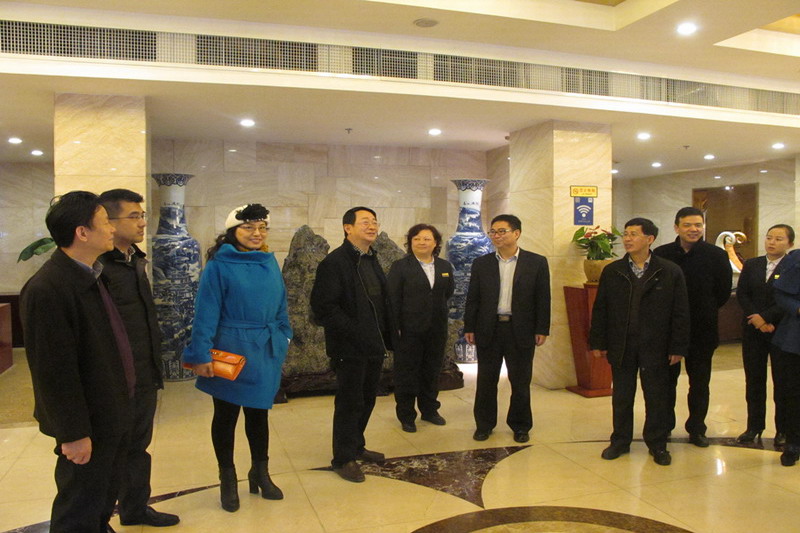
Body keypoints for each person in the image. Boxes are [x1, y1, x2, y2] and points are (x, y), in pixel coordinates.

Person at [21, 191, 133, 533]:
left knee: (102, 496)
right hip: (87, 421)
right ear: (82, 232)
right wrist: (73, 433)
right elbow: (53, 372)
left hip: (110, 409)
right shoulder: (48, 288)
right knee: (78, 506)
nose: (112, 229)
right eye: (105, 222)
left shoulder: (93, 275)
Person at [183, 204, 292, 512]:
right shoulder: (219, 265)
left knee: (259, 413)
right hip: (230, 349)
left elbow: (281, 304)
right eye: (249, 228)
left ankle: (260, 472)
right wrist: (201, 353)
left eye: (262, 228)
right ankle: (227, 478)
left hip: (265, 348)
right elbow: (206, 312)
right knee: (226, 415)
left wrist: (284, 335)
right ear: (233, 231)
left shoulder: (269, 261)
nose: (257, 234)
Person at [97, 189, 180, 527]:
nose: (142, 223)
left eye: (142, 215)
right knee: (109, 452)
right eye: (134, 216)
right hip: (115, 378)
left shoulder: (133, 260)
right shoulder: (99, 268)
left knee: (138, 445)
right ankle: (98, 520)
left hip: (144, 371)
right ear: (108, 221)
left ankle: (135, 508)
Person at [589, 218, 689, 466]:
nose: (627, 239)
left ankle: (657, 444)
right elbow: (601, 309)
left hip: (657, 345)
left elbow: (680, 312)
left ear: (650, 239)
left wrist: (677, 346)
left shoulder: (669, 271)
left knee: (657, 397)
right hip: (622, 343)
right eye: (625, 234)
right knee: (622, 396)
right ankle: (620, 441)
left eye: (633, 234)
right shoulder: (613, 271)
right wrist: (598, 341)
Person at [310, 206, 392, 483]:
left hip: (374, 344)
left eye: (374, 222)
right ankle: (343, 458)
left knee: (367, 399)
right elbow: (324, 308)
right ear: (348, 228)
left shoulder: (371, 258)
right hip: (349, 346)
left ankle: (357, 446)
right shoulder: (334, 262)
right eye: (365, 222)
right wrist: (355, 332)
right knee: (349, 402)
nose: (372, 226)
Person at [464, 214, 550, 444]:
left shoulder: (536, 262)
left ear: (517, 233)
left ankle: (520, 426)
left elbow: (543, 298)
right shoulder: (482, 263)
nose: (496, 236)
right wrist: (470, 326)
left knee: (520, 382)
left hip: (521, 329)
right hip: (489, 328)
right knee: (486, 381)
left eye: (502, 231)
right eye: (493, 231)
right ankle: (484, 425)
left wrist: (542, 328)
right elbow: (473, 298)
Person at [653, 206, 732, 447]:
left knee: (699, 383)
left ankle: (697, 428)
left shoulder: (716, 255)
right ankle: (664, 426)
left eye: (698, 225)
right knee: (666, 382)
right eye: (687, 225)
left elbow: (722, 292)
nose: (694, 229)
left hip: (702, 329)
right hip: (668, 330)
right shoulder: (661, 254)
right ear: (676, 227)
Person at [387, 224, 454, 433]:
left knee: (431, 371)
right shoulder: (400, 266)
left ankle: (430, 410)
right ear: (410, 243)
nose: (422, 242)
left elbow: (447, 293)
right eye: (416, 239)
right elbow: (392, 299)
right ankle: (407, 415)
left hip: (437, 329)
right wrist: (395, 328)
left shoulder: (444, 266)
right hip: (408, 331)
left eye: (427, 239)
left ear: (435, 243)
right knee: (406, 374)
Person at [735, 224, 794, 446]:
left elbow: (789, 298)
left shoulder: (793, 267)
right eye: (769, 238)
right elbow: (743, 294)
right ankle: (754, 426)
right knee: (754, 380)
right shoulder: (752, 264)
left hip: (782, 331)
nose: (772, 242)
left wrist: (766, 318)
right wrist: (757, 319)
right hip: (753, 330)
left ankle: (783, 430)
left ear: (790, 243)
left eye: (779, 239)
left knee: (783, 383)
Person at [769, 249, 800, 466]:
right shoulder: (797, 259)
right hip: (795, 340)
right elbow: (780, 294)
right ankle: (793, 443)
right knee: (793, 395)